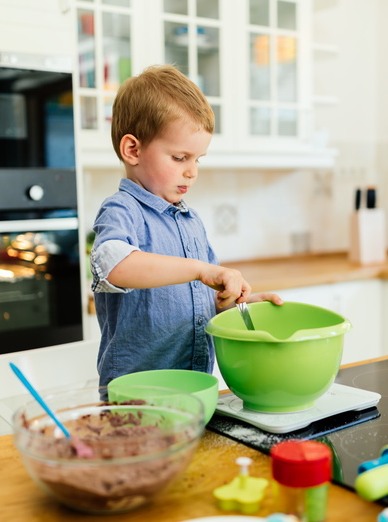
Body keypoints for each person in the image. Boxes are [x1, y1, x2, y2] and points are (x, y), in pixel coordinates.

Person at [90, 65, 283, 386]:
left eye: (198, 159)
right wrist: (200, 270)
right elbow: (113, 266)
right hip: (137, 398)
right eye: (180, 158)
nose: (192, 171)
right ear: (132, 150)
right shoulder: (122, 209)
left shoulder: (190, 222)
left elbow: (203, 305)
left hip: (193, 390)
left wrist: (238, 306)